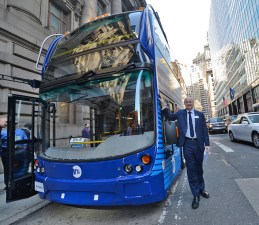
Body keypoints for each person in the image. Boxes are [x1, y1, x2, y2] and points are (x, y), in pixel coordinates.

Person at [163, 96, 210, 209]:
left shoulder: (200, 114)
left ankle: (201, 189)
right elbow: (169, 117)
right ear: (184, 104)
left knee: (199, 168)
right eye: (187, 102)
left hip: (198, 144)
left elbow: (204, 130)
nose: (188, 103)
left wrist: (207, 144)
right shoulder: (180, 113)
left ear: (193, 103)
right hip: (187, 144)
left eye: (190, 102)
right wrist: (164, 106)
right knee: (191, 170)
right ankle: (196, 195)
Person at [1, 122, 28, 186]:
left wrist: (23, 148)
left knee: (19, 168)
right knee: (8, 168)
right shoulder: (3, 133)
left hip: (19, 152)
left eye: (13, 124)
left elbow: (26, 141)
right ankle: (8, 183)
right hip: (7, 152)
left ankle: (16, 183)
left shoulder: (21, 132)